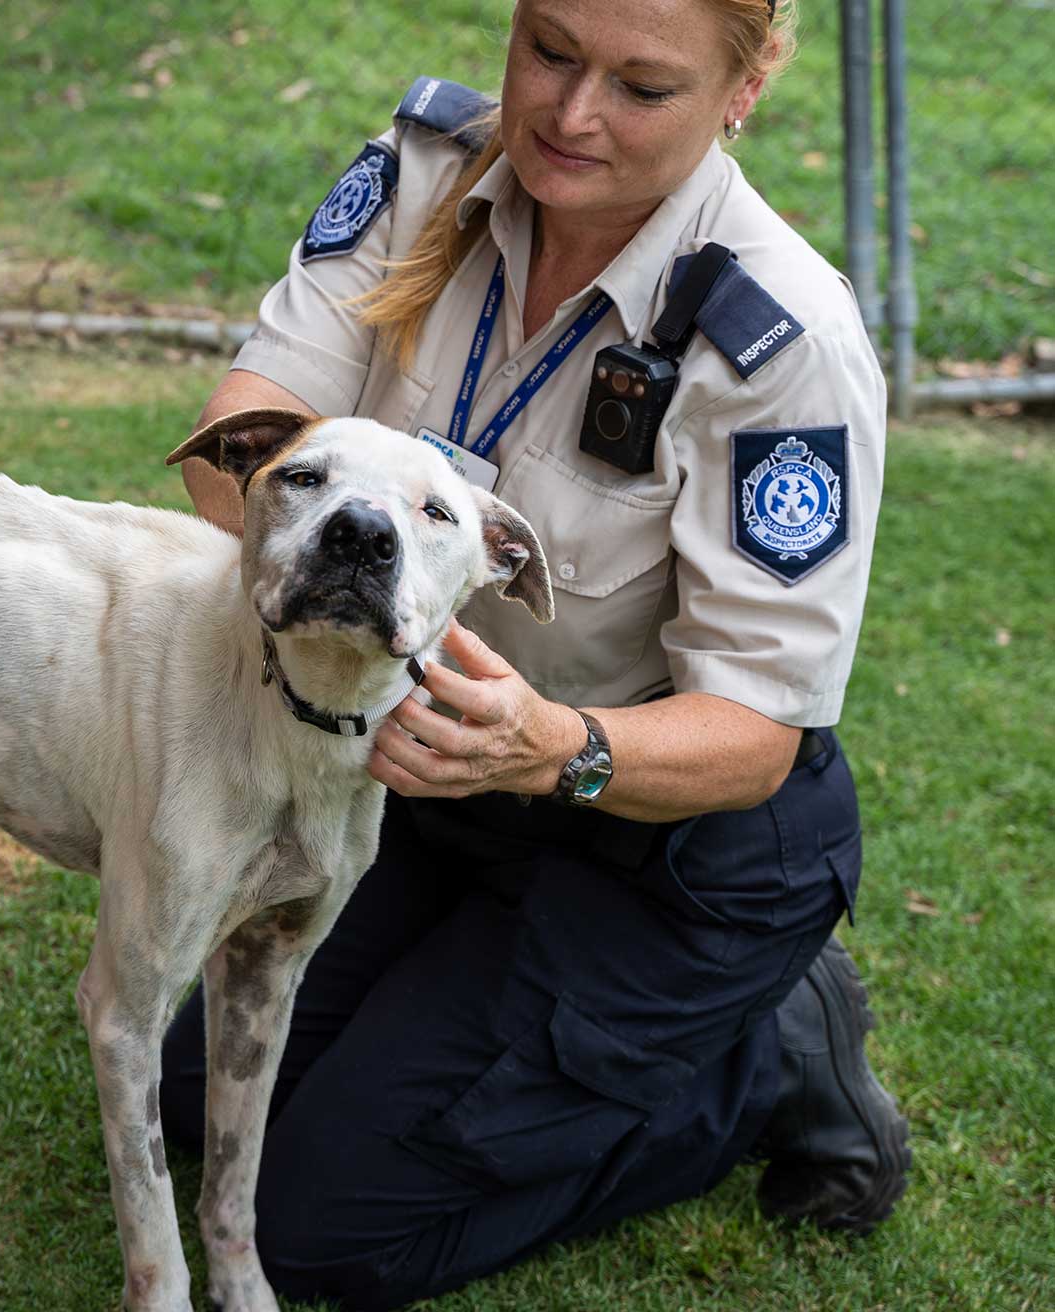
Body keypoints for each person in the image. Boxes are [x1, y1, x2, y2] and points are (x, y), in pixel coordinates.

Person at [158, 1, 910, 1307]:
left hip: (667, 837)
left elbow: (759, 732)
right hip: (432, 775)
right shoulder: (422, 170)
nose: (570, 116)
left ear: (744, 87)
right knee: (192, 1099)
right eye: (553, 51)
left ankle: (762, 1060)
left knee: (319, 1230)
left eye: (643, 85)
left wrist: (552, 748)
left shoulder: (779, 342)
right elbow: (249, 435)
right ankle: (494, 980)